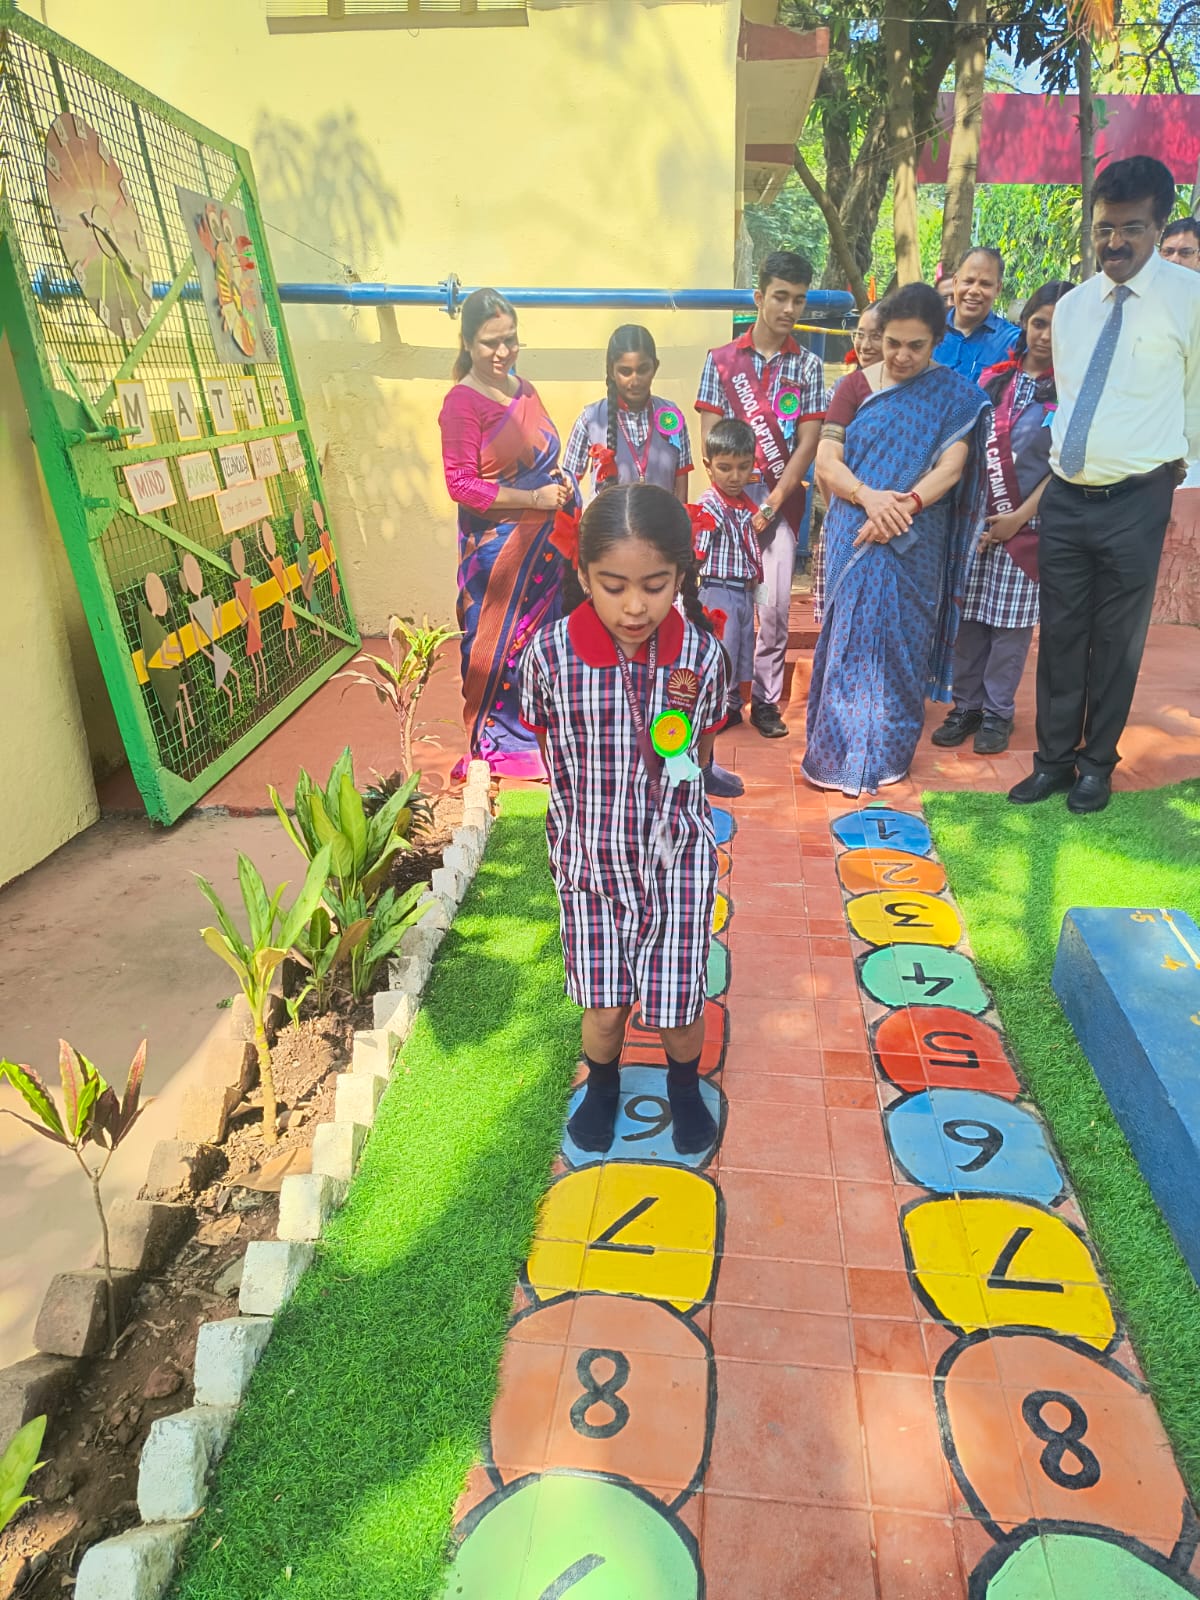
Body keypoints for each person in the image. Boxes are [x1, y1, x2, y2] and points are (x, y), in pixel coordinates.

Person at [519, 483, 726, 1157]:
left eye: (655, 585)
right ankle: (602, 1084)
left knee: (678, 1000)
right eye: (613, 586)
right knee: (605, 1005)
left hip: (677, 862)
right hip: (590, 864)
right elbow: (552, 753)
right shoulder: (549, 656)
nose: (635, 606)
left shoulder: (699, 657)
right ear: (584, 576)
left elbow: (701, 752)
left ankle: (684, 1087)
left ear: (680, 577)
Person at [1009, 155, 1200, 813]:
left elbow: (1196, 401)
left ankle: (1096, 766)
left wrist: (1181, 484)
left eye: (1131, 229)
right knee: (1061, 635)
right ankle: (1052, 762)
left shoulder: (1190, 300)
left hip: (1139, 498)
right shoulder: (1071, 308)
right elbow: (1070, 396)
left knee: (1117, 642)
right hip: (1067, 494)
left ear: (1160, 225)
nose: (1114, 243)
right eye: (1103, 228)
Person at [804, 283, 992, 796]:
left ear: (937, 342)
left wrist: (902, 506)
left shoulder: (954, 396)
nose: (902, 356)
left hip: (916, 536)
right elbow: (827, 461)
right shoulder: (853, 388)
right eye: (892, 343)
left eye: (916, 345)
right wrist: (870, 498)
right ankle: (835, 756)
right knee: (850, 642)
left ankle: (886, 756)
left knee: (902, 645)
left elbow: (951, 469)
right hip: (856, 529)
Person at [932, 281, 1073, 756]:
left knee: (1010, 628)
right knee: (970, 619)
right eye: (1039, 323)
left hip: (1027, 528)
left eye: (1058, 326)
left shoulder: (1070, 391)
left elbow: (1064, 467)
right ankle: (966, 706)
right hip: (976, 523)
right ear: (1025, 323)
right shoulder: (993, 379)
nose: (1046, 335)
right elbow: (964, 446)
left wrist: (1020, 517)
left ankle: (997, 713)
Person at [438, 287, 572, 781]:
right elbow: (462, 485)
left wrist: (562, 485)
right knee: (494, 650)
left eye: (510, 340)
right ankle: (500, 743)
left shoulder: (526, 390)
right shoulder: (462, 403)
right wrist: (533, 499)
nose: (502, 352)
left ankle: (543, 732)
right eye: (490, 342)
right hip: (496, 557)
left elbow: (545, 455)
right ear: (467, 342)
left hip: (547, 552)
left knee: (544, 644)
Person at [695, 249, 825, 740]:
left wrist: (771, 504)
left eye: (799, 300)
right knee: (722, 612)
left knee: (771, 609)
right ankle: (724, 698)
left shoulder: (809, 366)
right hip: (727, 513)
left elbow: (808, 442)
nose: (789, 308)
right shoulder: (721, 361)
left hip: (779, 509)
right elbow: (709, 438)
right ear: (759, 297)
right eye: (780, 296)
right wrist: (733, 499)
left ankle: (766, 701)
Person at [693, 417, 765, 748]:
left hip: (742, 592)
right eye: (725, 468)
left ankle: (732, 707)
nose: (734, 477)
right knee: (722, 652)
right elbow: (699, 549)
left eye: (743, 467)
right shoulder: (711, 504)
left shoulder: (744, 505)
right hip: (718, 590)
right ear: (708, 466)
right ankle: (713, 710)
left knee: (741, 650)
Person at [562, 325, 693, 502]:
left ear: (655, 367)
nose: (635, 381)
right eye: (625, 371)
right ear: (611, 371)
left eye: (643, 370)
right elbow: (569, 484)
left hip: (662, 519)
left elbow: (681, 490)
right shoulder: (591, 419)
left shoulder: (671, 416)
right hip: (607, 520)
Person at [934, 247, 1020, 382]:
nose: (974, 290)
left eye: (985, 284)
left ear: (998, 289)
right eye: (968, 281)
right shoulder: (929, 330)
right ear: (955, 282)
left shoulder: (1013, 341)